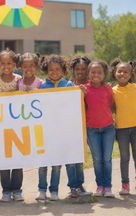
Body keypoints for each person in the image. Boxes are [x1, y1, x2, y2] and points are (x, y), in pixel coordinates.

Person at [36, 55, 81, 201]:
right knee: (43, 164)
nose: (54, 72)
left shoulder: (68, 85)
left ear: (63, 70)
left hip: (63, 132)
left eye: (57, 69)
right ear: (46, 71)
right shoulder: (42, 87)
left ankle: (54, 190)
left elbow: (76, 101)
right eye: (51, 69)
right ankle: (41, 189)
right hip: (46, 132)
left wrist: (79, 91)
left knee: (56, 165)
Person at [0, 49, 23, 202]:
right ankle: (6, 190)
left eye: (9, 63)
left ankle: (17, 189)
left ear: (15, 64)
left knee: (18, 159)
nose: (6, 66)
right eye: (2, 63)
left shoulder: (19, 79)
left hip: (17, 126)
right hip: (0, 126)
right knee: (4, 159)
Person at [84, 60, 115, 198]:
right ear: (88, 73)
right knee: (97, 159)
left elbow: (111, 105)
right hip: (92, 130)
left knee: (107, 159)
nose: (96, 74)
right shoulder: (83, 90)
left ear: (104, 74)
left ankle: (108, 187)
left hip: (108, 128)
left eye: (99, 72)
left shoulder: (108, 89)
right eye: (93, 72)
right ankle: (100, 185)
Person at [111, 58, 136, 195]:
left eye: (126, 72)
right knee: (124, 158)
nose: (122, 74)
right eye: (120, 71)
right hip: (121, 130)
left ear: (131, 74)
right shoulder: (112, 91)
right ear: (115, 73)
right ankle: (125, 184)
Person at [69, 56, 92, 196]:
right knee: (73, 156)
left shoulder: (93, 84)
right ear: (73, 70)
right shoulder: (68, 85)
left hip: (89, 125)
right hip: (72, 125)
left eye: (84, 69)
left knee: (81, 157)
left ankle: (80, 184)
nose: (80, 71)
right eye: (77, 69)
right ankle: (74, 186)